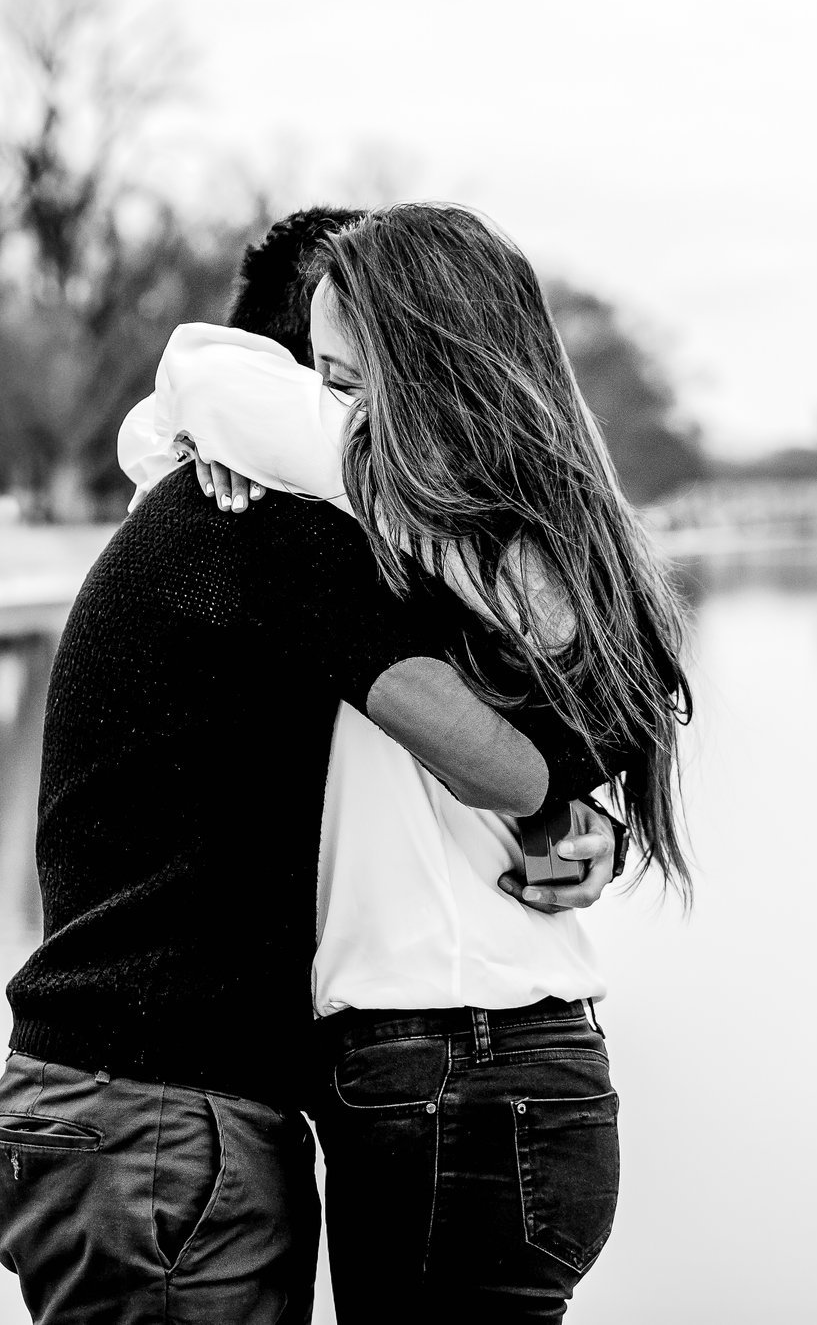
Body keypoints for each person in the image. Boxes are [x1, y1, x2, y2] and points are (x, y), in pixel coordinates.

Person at [0, 209, 621, 1325]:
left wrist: (589, 820)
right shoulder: (272, 525)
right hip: (162, 1116)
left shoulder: (267, 515)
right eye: (334, 382)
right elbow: (508, 759)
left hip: (125, 1108)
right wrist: (568, 787)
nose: (354, 414)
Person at [134, 202, 692, 1323]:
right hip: (519, 1065)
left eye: (345, 377)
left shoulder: (395, 506)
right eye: (320, 377)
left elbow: (199, 371)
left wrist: (205, 440)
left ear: (428, 368)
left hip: (448, 1075)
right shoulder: (516, 528)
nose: (324, 404)